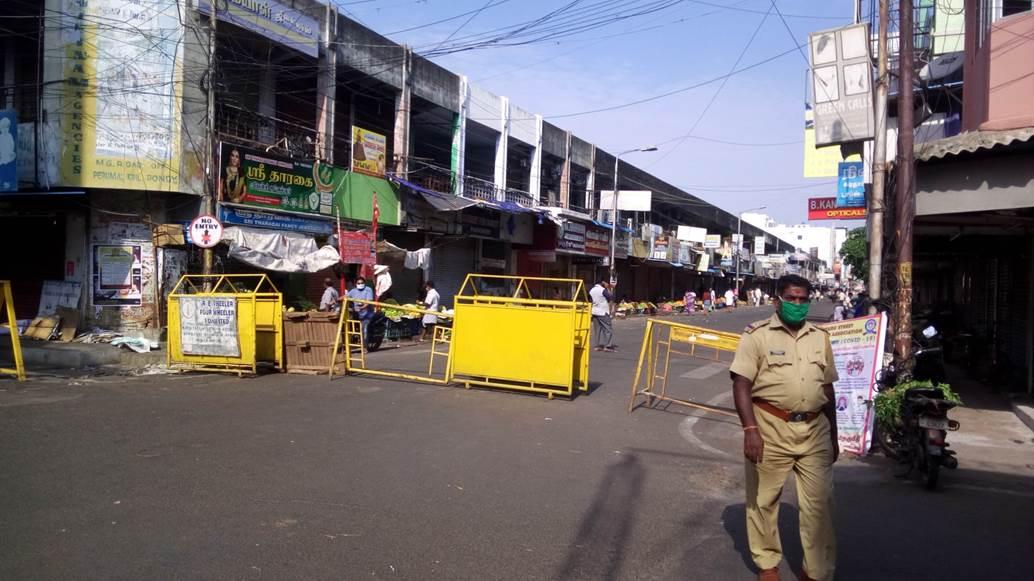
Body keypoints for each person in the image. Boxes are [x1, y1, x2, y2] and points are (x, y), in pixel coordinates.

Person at [729, 274, 839, 581]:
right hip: (770, 428)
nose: (798, 304)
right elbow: (742, 383)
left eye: (803, 299)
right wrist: (750, 430)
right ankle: (767, 564)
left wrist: (834, 434)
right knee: (763, 501)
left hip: (815, 429)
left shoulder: (820, 337)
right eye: (792, 298)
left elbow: (828, 390)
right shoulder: (757, 335)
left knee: (821, 504)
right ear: (778, 300)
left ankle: (817, 571)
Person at [346, 277, 375, 348]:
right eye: (358, 283)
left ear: (364, 283)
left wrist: (362, 307)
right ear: (356, 284)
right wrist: (337, 300)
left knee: (364, 329)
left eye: (362, 283)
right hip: (357, 314)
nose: (360, 284)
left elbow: (368, 302)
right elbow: (346, 297)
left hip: (367, 314)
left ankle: (365, 347)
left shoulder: (368, 290)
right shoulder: (353, 291)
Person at [589, 280, 615, 352]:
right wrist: (608, 288)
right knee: (607, 329)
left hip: (594, 311)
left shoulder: (592, 290)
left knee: (597, 330)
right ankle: (607, 346)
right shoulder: (602, 290)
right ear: (603, 283)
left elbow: (591, 300)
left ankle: (597, 346)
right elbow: (611, 296)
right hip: (603, 311)